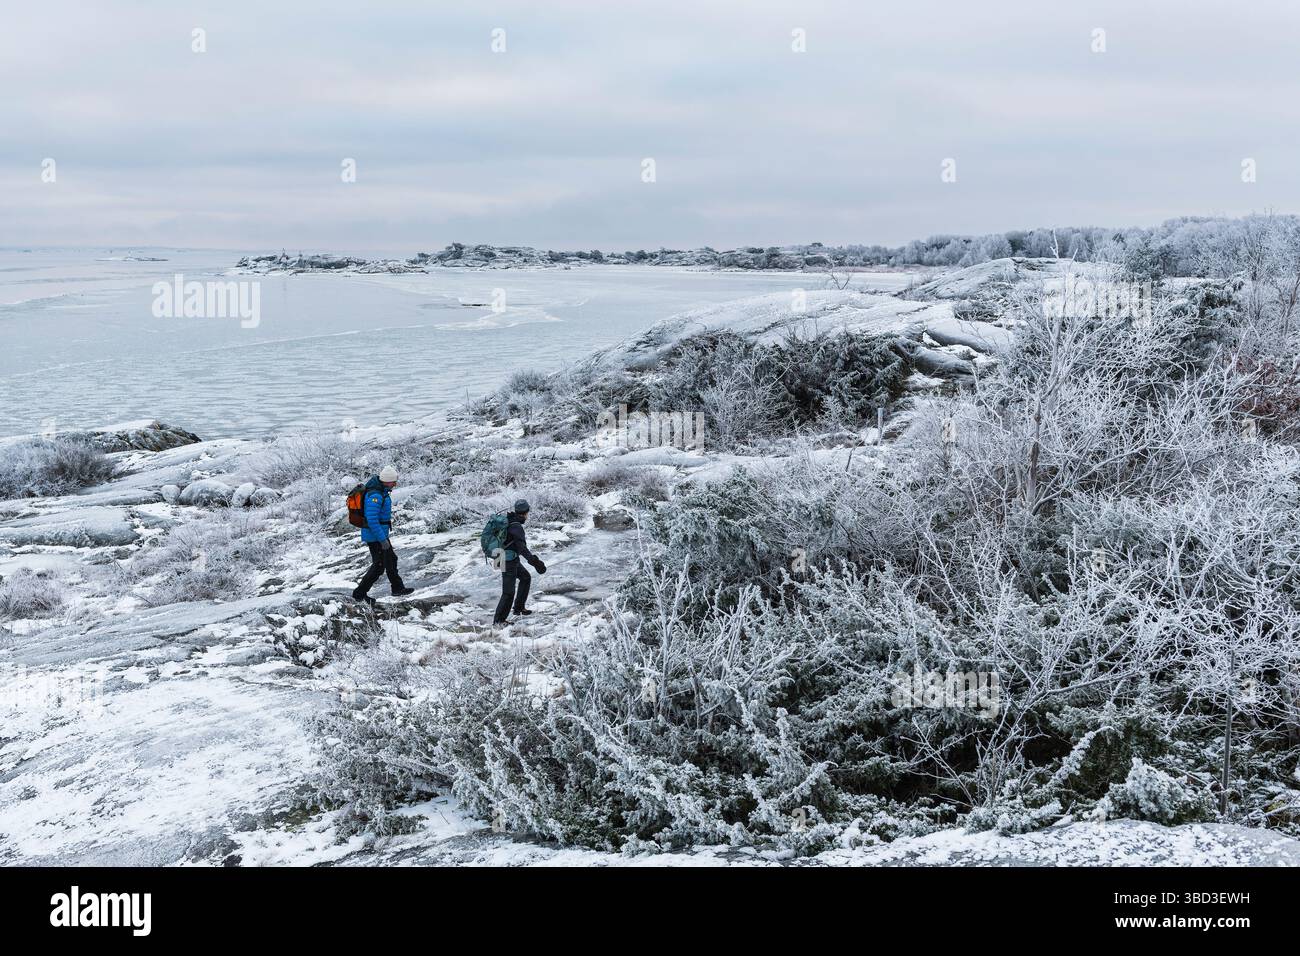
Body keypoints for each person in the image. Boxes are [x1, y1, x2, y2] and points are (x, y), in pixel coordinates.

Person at [352, 465, 415, 604]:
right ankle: (359, 594)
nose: (395, 483)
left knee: (391, 559)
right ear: (386, 481)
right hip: (375, 536)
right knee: (379, 566)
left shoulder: (382, 491)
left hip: (379, 534)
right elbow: (372, 520)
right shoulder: (375, 495)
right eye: (393, 481)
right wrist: (382, 540)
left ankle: (397, 588)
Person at [493, 498, 545, 624]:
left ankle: (518, 608)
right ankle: (499, 621)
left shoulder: (510, 520)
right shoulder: (516, 527)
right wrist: (535, 562)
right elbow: (522, 548)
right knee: (508, 592)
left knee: (525, 577)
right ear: (526, 512)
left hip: (502, 556)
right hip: (506, 559)